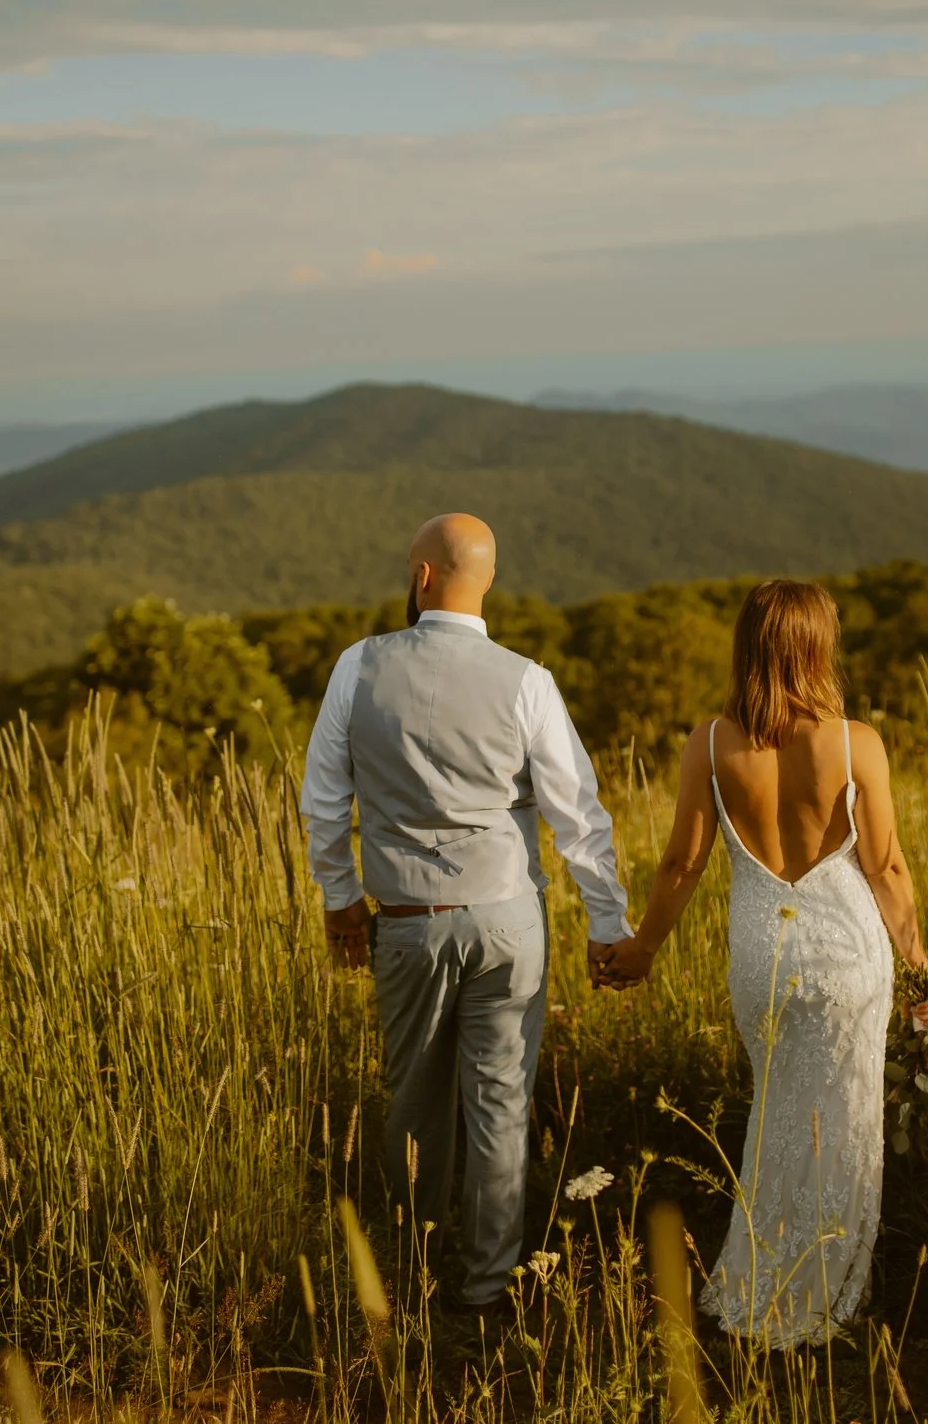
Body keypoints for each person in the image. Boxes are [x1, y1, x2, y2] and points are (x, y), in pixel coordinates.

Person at [599, 578, 928, 1348]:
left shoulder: (713, 742)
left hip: (766, 953)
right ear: (818, 645)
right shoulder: (858, 742)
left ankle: (763, 1280)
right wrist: (923, 966)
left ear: (747, 645)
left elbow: (680, 865)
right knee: (844, 1118)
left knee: (777, 1112)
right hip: (850, 955)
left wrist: (643, 949)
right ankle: (828, 1294)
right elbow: (886, 866)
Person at [300, 512, 635, 1311]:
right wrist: (607, 922)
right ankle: (488, 1287)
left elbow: (322, 802)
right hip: (508, 920)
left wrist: (341, 903)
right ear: (488, 584)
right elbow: (577, 814)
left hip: (409, 920)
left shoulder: (358, 666)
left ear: (420, 577)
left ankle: (414, 1274)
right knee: (501, 1102)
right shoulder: (527, 679)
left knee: (413, 1098)